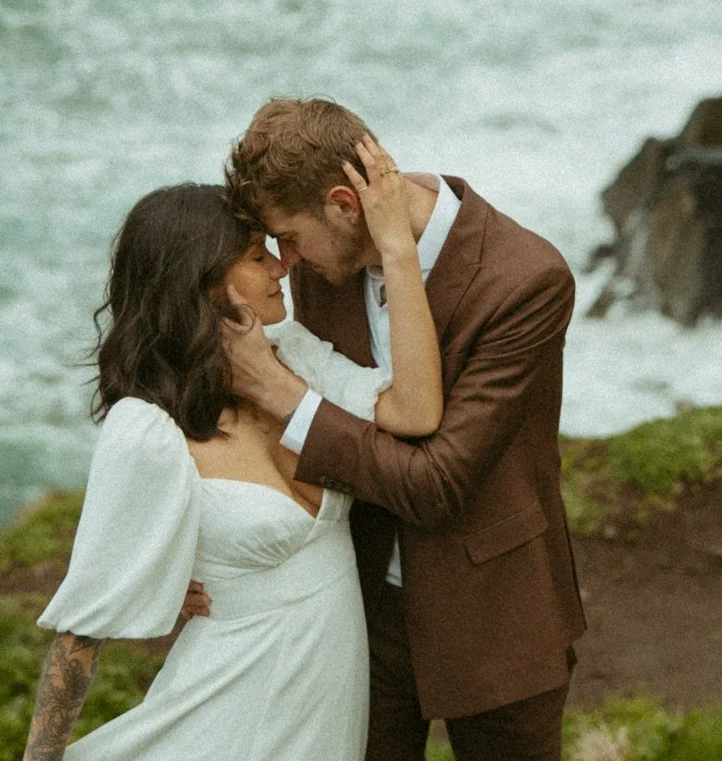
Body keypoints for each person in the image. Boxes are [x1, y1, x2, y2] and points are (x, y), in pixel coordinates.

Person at [21, 145, 438, 761]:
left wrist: (400, 251)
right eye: (255, 255)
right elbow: (85, 628)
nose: (279, 267)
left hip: (325, 704)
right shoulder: (146, 430)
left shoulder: (292, 356)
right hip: (223, 708)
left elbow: (415, 410)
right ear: (205, 282)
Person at [223, 98, 587, 761]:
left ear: (343, 204)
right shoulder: (321, 263)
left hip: (498, 613)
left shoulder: (526, 280)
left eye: (289, 236)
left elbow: (436, 482)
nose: (284, 260)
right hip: (356, 611)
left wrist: (281, 392)